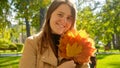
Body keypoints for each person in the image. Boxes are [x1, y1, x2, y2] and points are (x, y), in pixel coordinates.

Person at [19, 0, 90, 68]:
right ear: (50, 15)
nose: (64, 21)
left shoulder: (78, 45)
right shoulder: (32, 43)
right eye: (60, 15)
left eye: (69, 18)